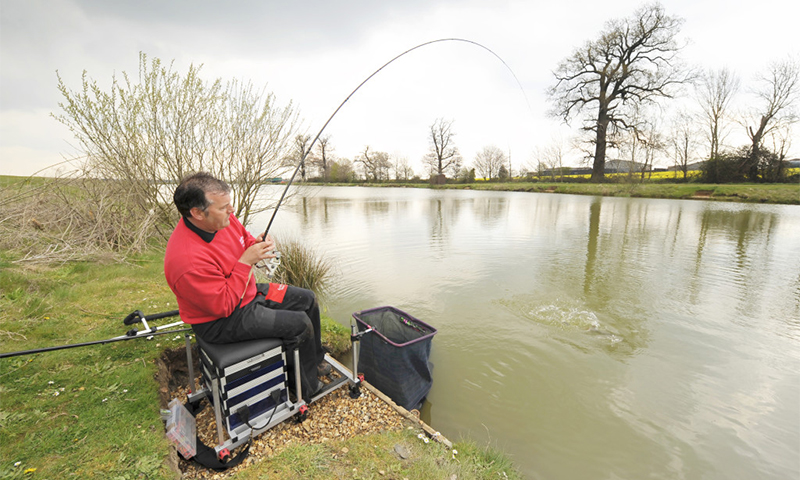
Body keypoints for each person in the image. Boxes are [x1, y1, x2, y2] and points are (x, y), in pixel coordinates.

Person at [164, 172, 328, 400]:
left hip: (246, 293)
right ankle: (305, 388)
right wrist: (246, 262)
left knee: (307, 299)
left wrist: (257, 245)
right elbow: (224, 306)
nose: (231, 212)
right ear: (197, 213)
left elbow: (244, 240)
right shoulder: (186, 260)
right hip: (221, 320)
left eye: (229, 205)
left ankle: (315, 362)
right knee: (299, 324)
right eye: (223, 208)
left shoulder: (224, 220)